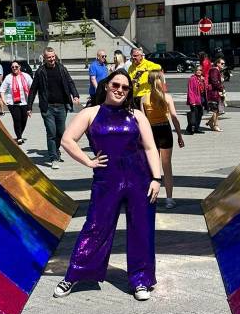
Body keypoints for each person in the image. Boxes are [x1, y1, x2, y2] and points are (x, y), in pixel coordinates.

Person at [54, 70, 162, 301]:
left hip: (140, 179)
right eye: (116, 85)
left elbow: (151, 147)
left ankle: (141, 280)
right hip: (106, 180)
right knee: (95, 226)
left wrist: (157, 178)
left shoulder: (136, 115)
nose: (120, 90)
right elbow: (67, 140)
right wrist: (88, 162)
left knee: (141, 229)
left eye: (125, 87)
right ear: (106, 86)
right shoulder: (90, 113)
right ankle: (74, 275)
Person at [26, 47, 80, 169]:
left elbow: (70, 82)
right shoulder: (40, 71)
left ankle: (56, 151)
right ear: (44, 58)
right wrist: (29, 107)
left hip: (61, 106)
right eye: (49, 57)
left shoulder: (61, 68)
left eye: (53, 56)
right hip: (48, 107)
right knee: (51, 132)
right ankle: (53, 158)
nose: (51, 59)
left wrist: (75, 95)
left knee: (61, 133)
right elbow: (33, 90)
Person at [142, 71, 184, 208]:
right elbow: (174, 117)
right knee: (167, 166)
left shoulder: (144, 98)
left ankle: (151, 196)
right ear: (161, 81)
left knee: (152, 166)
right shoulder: (167, 97)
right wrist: (179, 135)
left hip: (151, 131)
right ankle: (169, 199)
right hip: (165, 130)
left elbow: (143, 122)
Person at [0, 61, 33, 145]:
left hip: (25, 102)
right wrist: (4, 100)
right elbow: (2, 90)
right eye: (13, 67)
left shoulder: (26, 76)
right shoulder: (8, 77)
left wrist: (31, 100)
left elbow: (32, 88)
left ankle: (19, 134)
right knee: (17, 119)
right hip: (13, 103)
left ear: (19, 67)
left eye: (16, 67)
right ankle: (19, 138)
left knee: (24, 120)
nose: (14, 68)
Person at [205, 58, 225, 132]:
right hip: (214, 93)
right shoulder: (214, 70)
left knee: (219, 110)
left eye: (224, 63)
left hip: (216, 92)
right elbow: (214, 82)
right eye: (222, 63)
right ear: (217, 63)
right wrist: (221, 88)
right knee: (216, 110)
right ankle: (215, 125)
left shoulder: (217, 71)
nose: (223, 65)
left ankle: (210, 122)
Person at [186, 68, 206, 134]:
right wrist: (192, 101)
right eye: (197, 70)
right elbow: (190, 90)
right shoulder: (192, 79)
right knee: (194, 115)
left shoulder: (202, 79)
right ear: (195, 71)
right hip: (194, 100)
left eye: (200, 70)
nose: (199, 71)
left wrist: (204, 81)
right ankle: (189, 129)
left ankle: (196, 128)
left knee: (199, 114)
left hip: (201, 99)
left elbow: (205, 89)